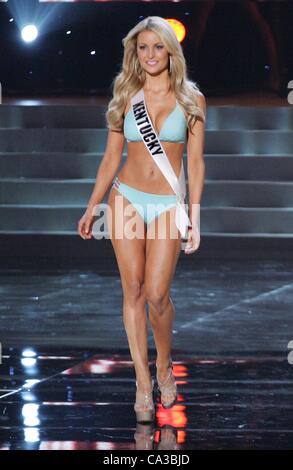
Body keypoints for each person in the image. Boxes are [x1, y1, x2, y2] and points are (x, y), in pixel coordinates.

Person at [78, 16, 206, 422]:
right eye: (143, 47)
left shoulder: (191, 99)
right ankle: (142, 382)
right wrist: (91, 204)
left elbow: (197, 163)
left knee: (156, 294)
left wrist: (195, 215)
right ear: (135, 52)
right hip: (125, 200)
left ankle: (164, 365)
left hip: (168, 203)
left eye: (158, 47)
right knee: (131, 289)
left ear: (171, 51)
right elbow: (110, 157)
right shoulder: (125, 94)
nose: (150, 55)